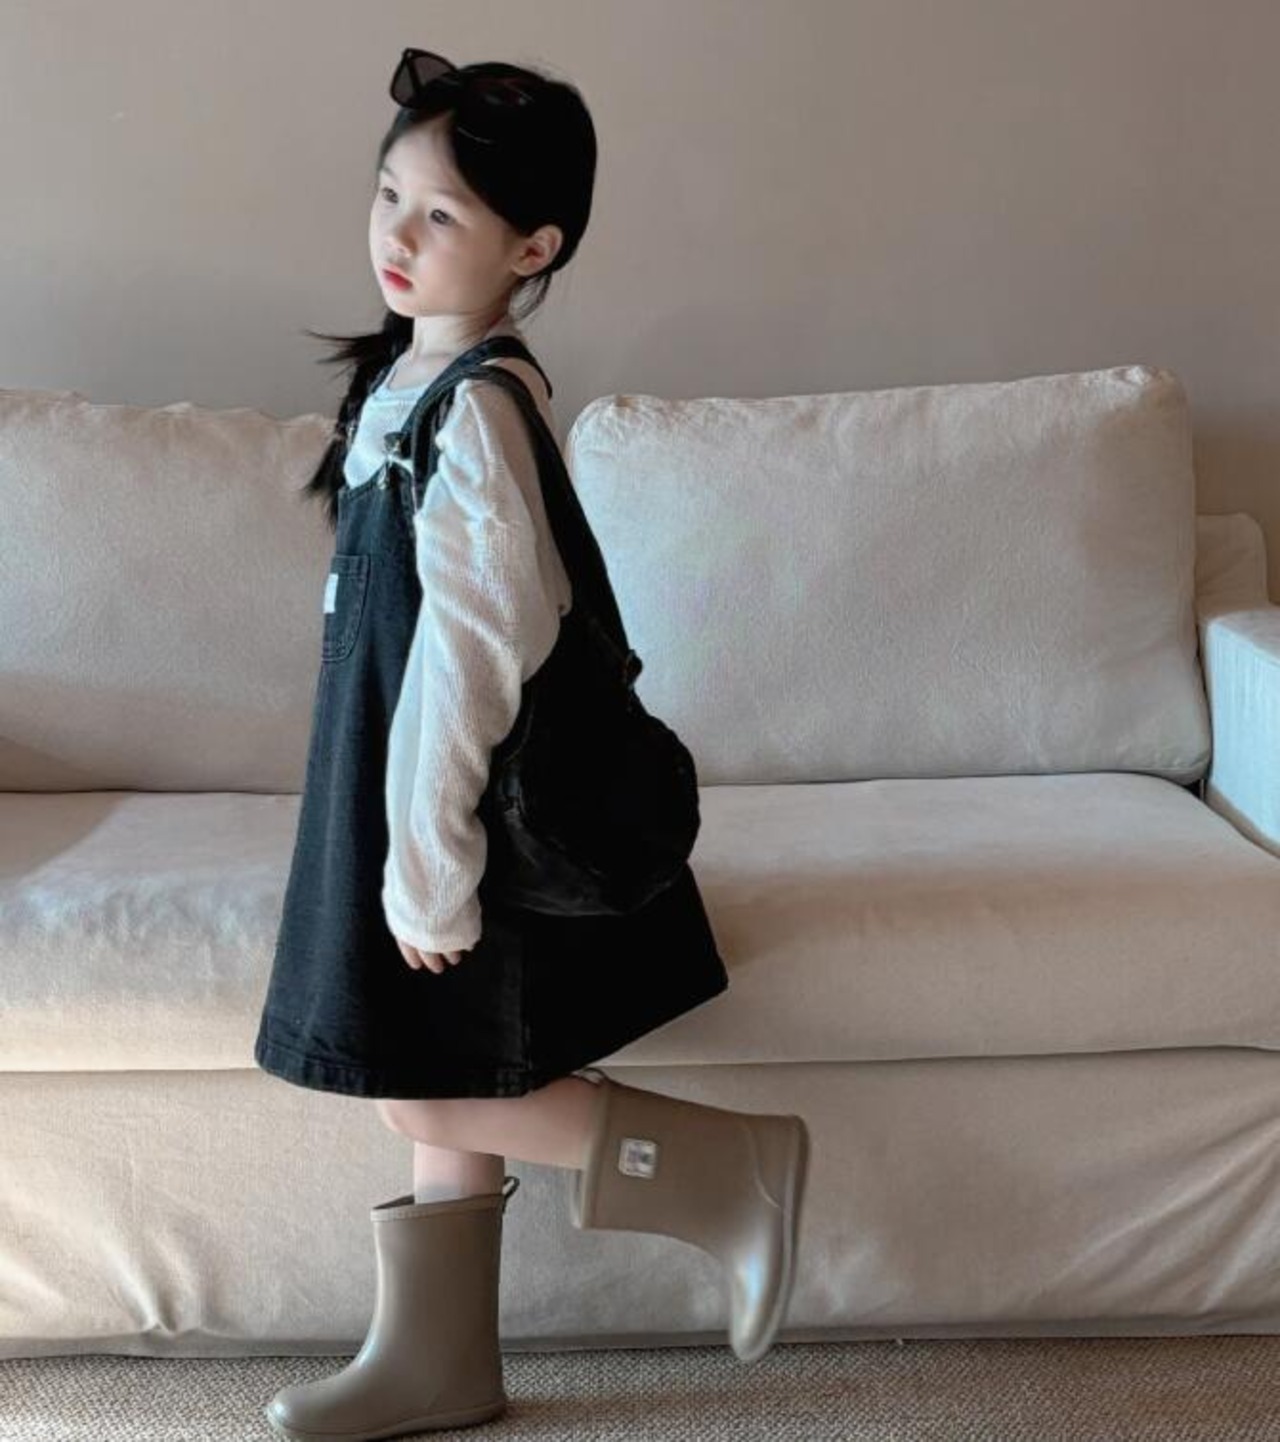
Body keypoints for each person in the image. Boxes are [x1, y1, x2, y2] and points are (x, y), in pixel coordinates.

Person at [253, 47, 811, 1441]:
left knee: (420, 1084)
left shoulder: (481, 411)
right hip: (394, 790)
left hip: (456, 810)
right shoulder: (407, 383)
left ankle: (722, 1169)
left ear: (533, 246)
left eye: (441, 212)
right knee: (434, 1076)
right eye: (389, 194)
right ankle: (437, 1359)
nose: (397, 232)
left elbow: (471, 663)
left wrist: (428, 862)